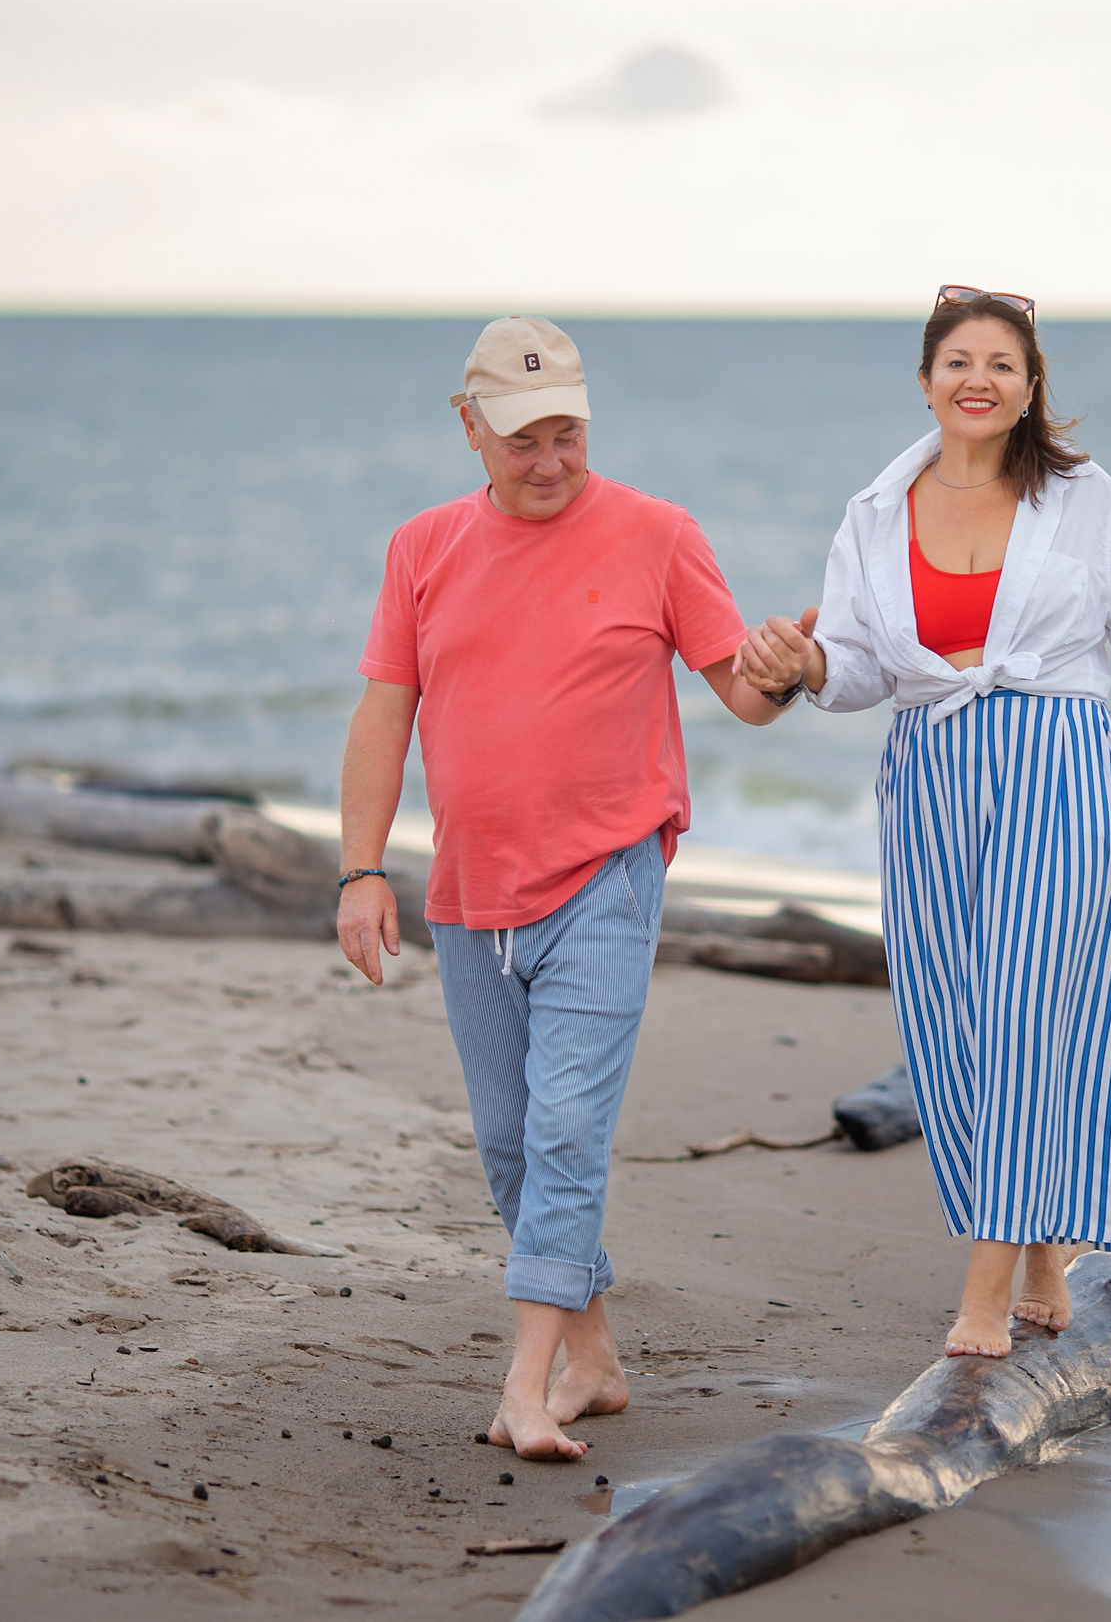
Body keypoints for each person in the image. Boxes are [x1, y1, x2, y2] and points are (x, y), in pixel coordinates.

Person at [737, 286, 1111, 1359]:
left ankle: (984, 1281)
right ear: (926, 382)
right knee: (949, 1023)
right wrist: (808, 664)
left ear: (1028, 388)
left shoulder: (1084, 500)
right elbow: (861, 663)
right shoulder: (873, 514)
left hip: (1057, 766)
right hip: (926, 775)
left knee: (1023, 1016)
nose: (979, 379)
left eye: (1002, 365)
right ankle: (1042, 1243)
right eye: (959, 361)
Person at [337, 316, 796, 1459]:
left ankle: (523, 1386)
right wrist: (359, 870)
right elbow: (384, 714)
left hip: (607, 879)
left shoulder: (658, 534)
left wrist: (792, 673)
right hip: (466, 896)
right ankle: (592, 1359)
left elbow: (738, 690)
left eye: (569, 435)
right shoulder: (421, 549)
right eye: (523, 439)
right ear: (469, 429)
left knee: (567, 1135)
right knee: (509, 1147)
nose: (550, 461)